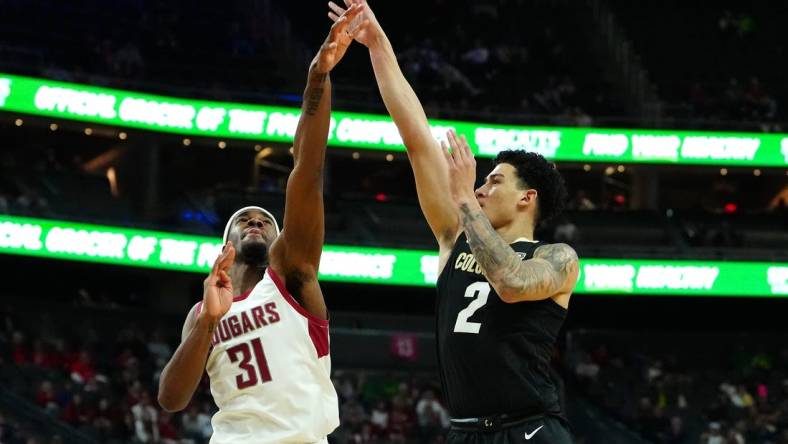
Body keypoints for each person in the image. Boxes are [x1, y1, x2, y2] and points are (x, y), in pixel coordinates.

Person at [327, 2, 578, 443]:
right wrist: (378, 45)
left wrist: (463, 199)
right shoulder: (454, 236)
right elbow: (416, 137)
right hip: (463, 431)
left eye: (494, 182)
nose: (480, 188)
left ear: (527, 197)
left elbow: (511, 282)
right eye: (479, 183)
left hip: (531, 429)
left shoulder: (556, 259)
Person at [157, 5, 369, 443]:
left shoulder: (291, 274)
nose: (255, 222)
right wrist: (206, 325)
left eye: (265, 222)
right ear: (225, 243)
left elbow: (307, 171)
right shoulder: (202, 312)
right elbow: (171, 399)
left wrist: (317, 79)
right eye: (243, 220)